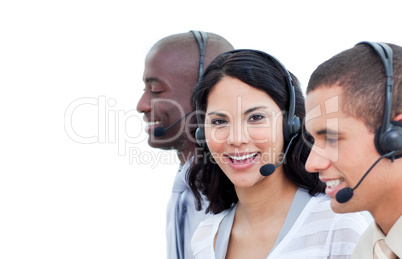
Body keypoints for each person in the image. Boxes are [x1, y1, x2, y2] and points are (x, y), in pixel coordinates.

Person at [188, 49, 368, 258]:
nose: (236, 139)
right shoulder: (205, 238)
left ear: (290, 125)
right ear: (203, 133)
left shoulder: (337, 225)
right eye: (219, 121)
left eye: (255, 117)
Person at [136, 31, 234, 259]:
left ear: (205, 94)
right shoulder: (185, 184)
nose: (141, 105)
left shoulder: (231, 191)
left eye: (156, 90)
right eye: (144, 90)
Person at [304, 41, 402, 258]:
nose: (311, 164)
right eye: (313, 140)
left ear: (395, 138)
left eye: (331, 138)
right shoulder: (367, 248)